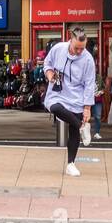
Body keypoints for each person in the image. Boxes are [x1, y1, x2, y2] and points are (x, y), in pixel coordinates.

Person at [43, 27, 96, 177]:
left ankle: (71, 164)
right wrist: (49, 74)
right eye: (76, 48)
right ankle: (81, 126)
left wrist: (87, 108)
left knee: (73, 132)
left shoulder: (88, 60)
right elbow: (47, 63)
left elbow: (89, 84)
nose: (79, 51)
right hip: (58, 92)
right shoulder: (58, 49)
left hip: (78, 96)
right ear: (70, 40)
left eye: (82, 48)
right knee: (54, 107)